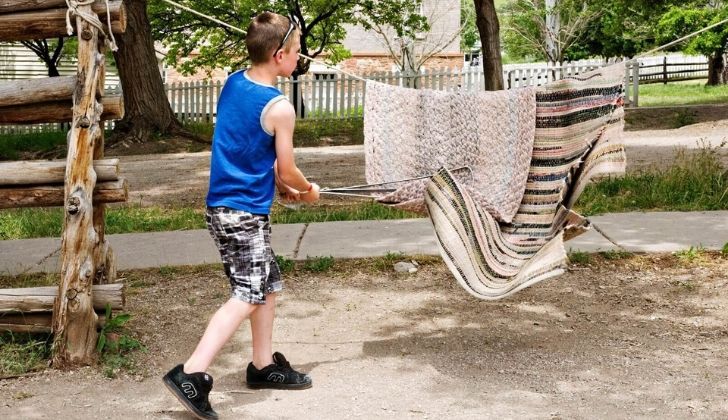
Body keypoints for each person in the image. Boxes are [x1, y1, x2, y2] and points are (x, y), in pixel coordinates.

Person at [162, 12, 320, 420]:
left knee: (266, 284)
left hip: (225, 208)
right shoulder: (280, 107)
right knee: (248, 293)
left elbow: (248, 146)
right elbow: (287, 169)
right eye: (297, 51)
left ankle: (263, 365)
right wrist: (306, 188)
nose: (300, 57)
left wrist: (279, 182)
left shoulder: (234, 81)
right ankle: (192, 373)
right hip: (242, 214)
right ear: (279, 54)